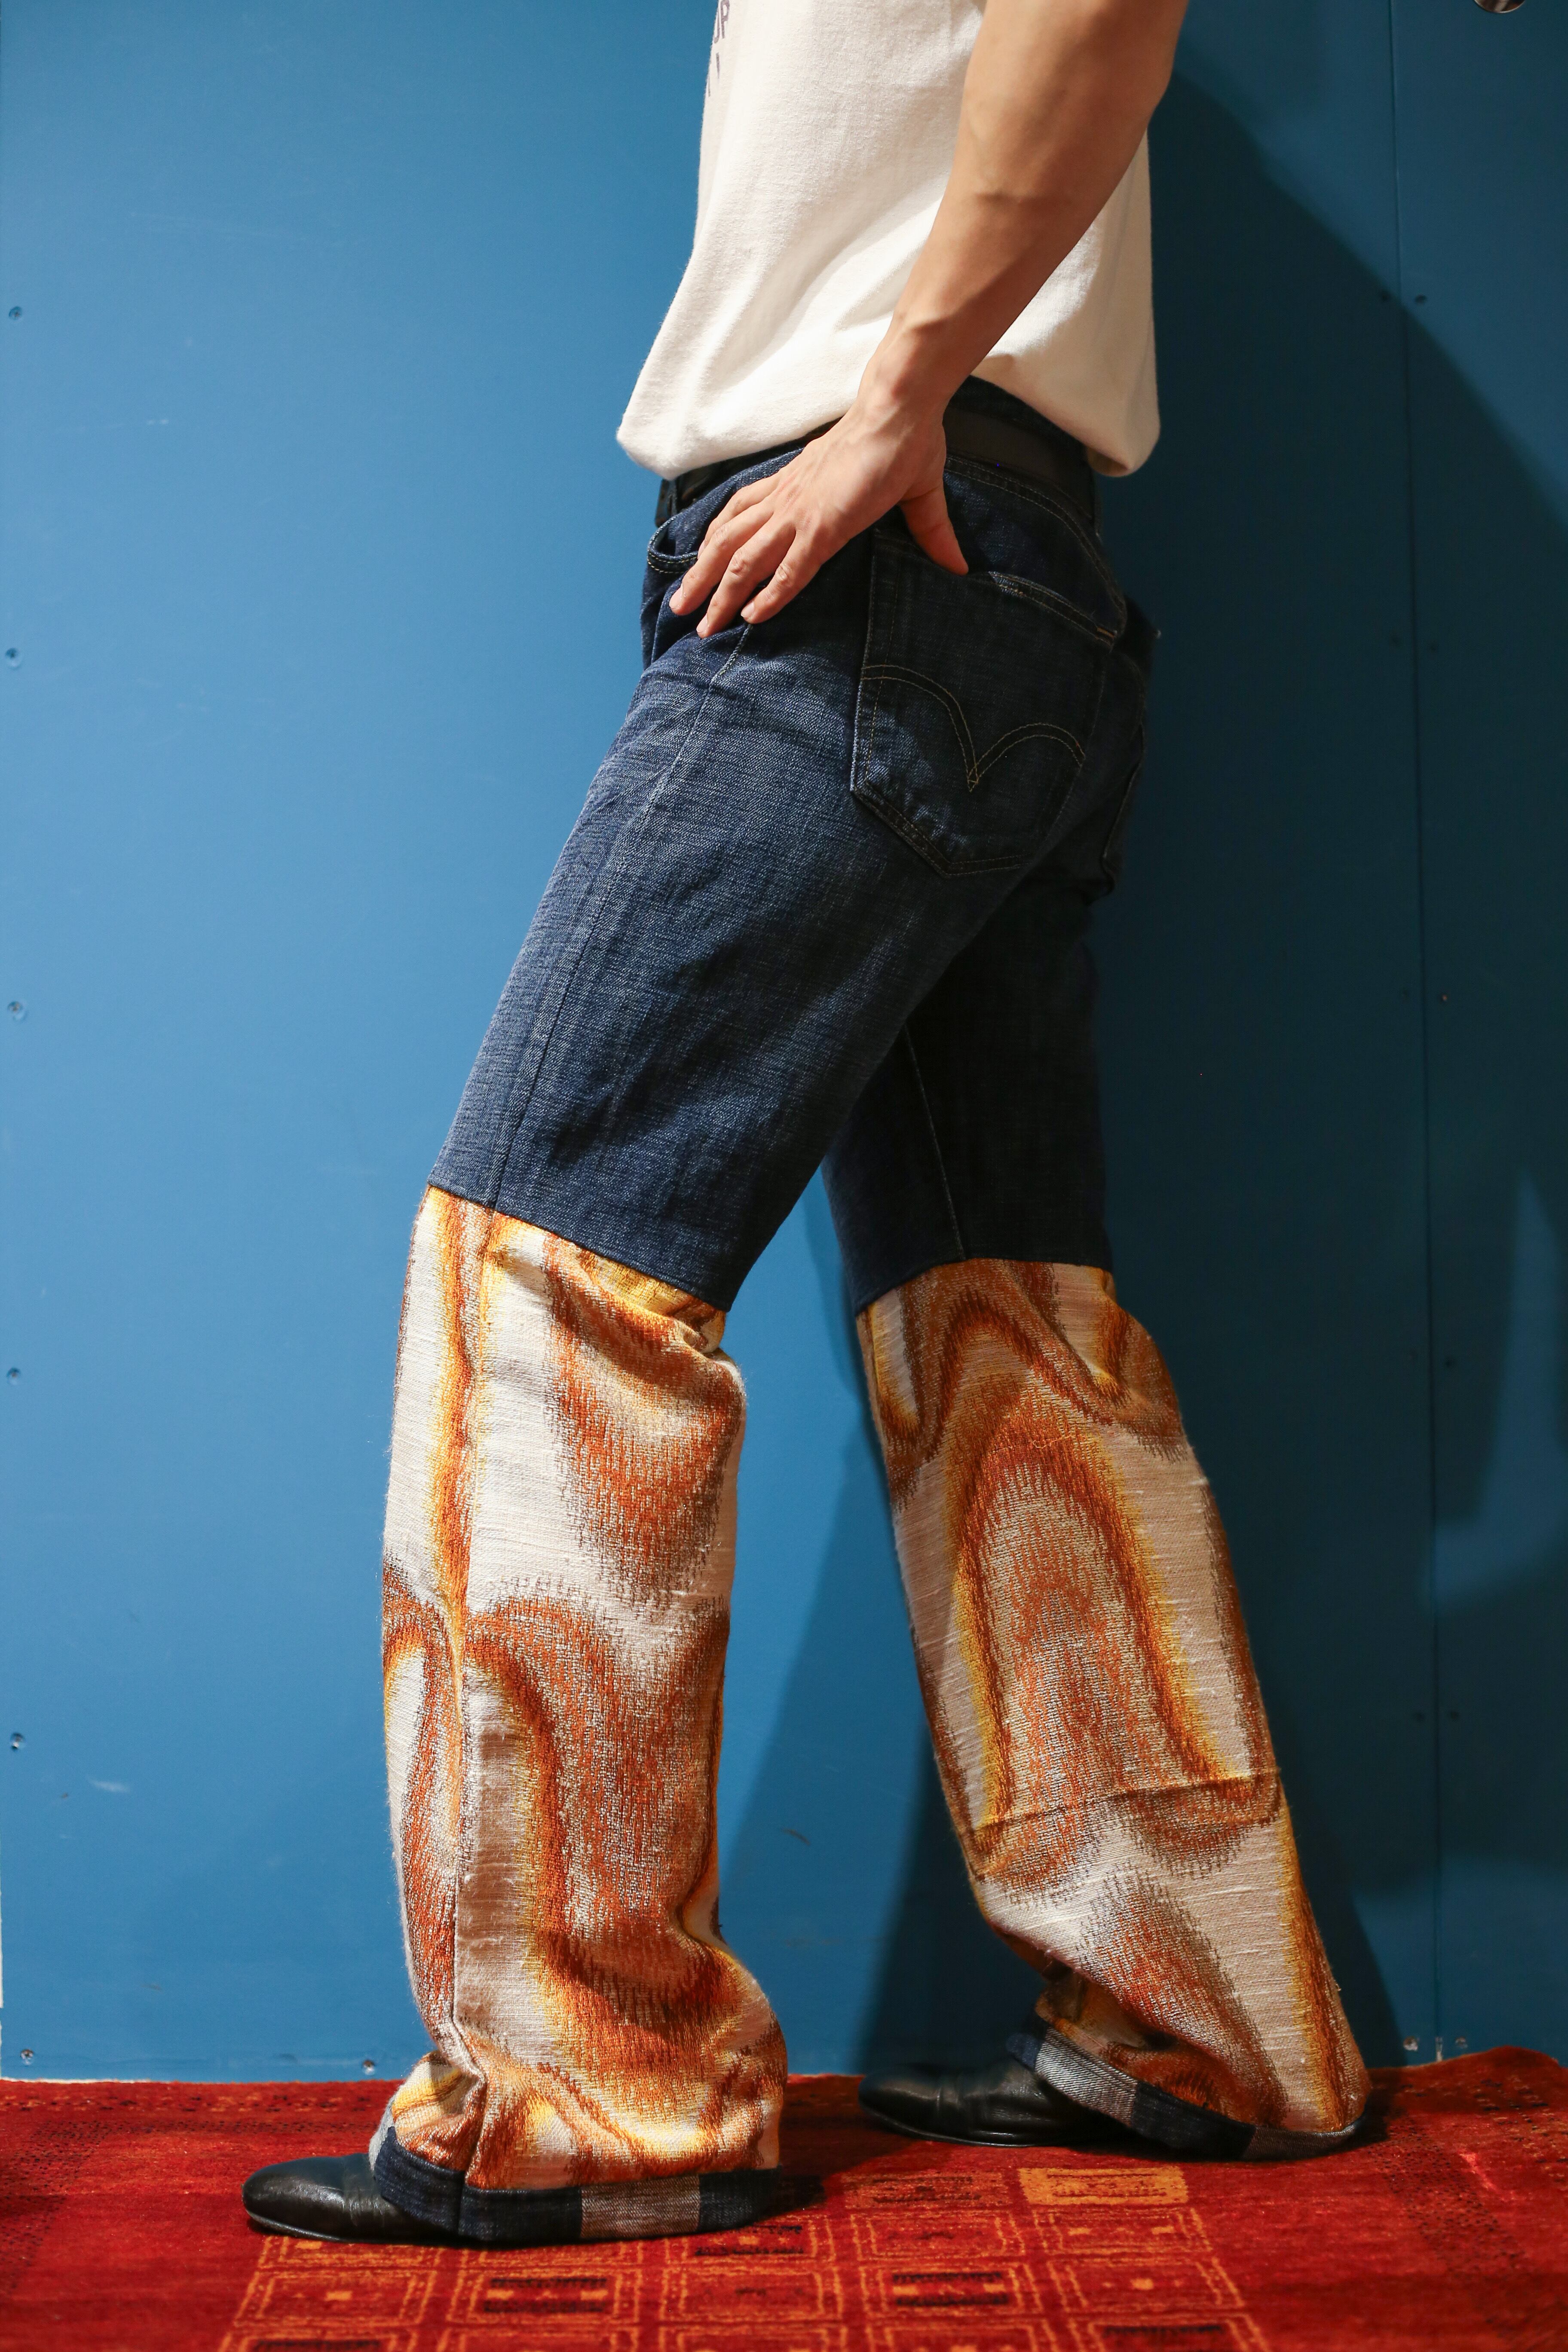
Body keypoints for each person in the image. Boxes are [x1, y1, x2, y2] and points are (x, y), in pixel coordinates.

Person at [243, 0, 1368, 2249]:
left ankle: (595, 2089)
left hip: (875, 553)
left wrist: (895, 391)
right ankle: (1203, 2016)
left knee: (549, 1270)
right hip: (994, 577)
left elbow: (1106, 13)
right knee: (1005, 1328)